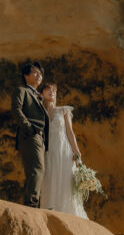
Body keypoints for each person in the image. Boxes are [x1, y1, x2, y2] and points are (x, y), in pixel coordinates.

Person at [40, 83, 88, 219]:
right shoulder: (40, 112)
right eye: (47, 90)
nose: (51, 92)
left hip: (63, 149)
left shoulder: (63, 110)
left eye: (53, 91)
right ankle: (50, 212)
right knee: (50, 177)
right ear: (42, 94)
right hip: (48, 150)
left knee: (64, 179)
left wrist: (76, 151)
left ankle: (67, 214)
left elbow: (70, 132)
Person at [11, 60, 49, 208]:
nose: (39, 75)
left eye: (40, 73)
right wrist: (28, 127)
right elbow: (16, 109)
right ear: (26, 75)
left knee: (36, 169)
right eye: (35, 72)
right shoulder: (22, 91)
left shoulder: (38, 96)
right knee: (37, 168)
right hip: (30, 135)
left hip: (39, 137)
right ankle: (32, 204)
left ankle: (34, 203)